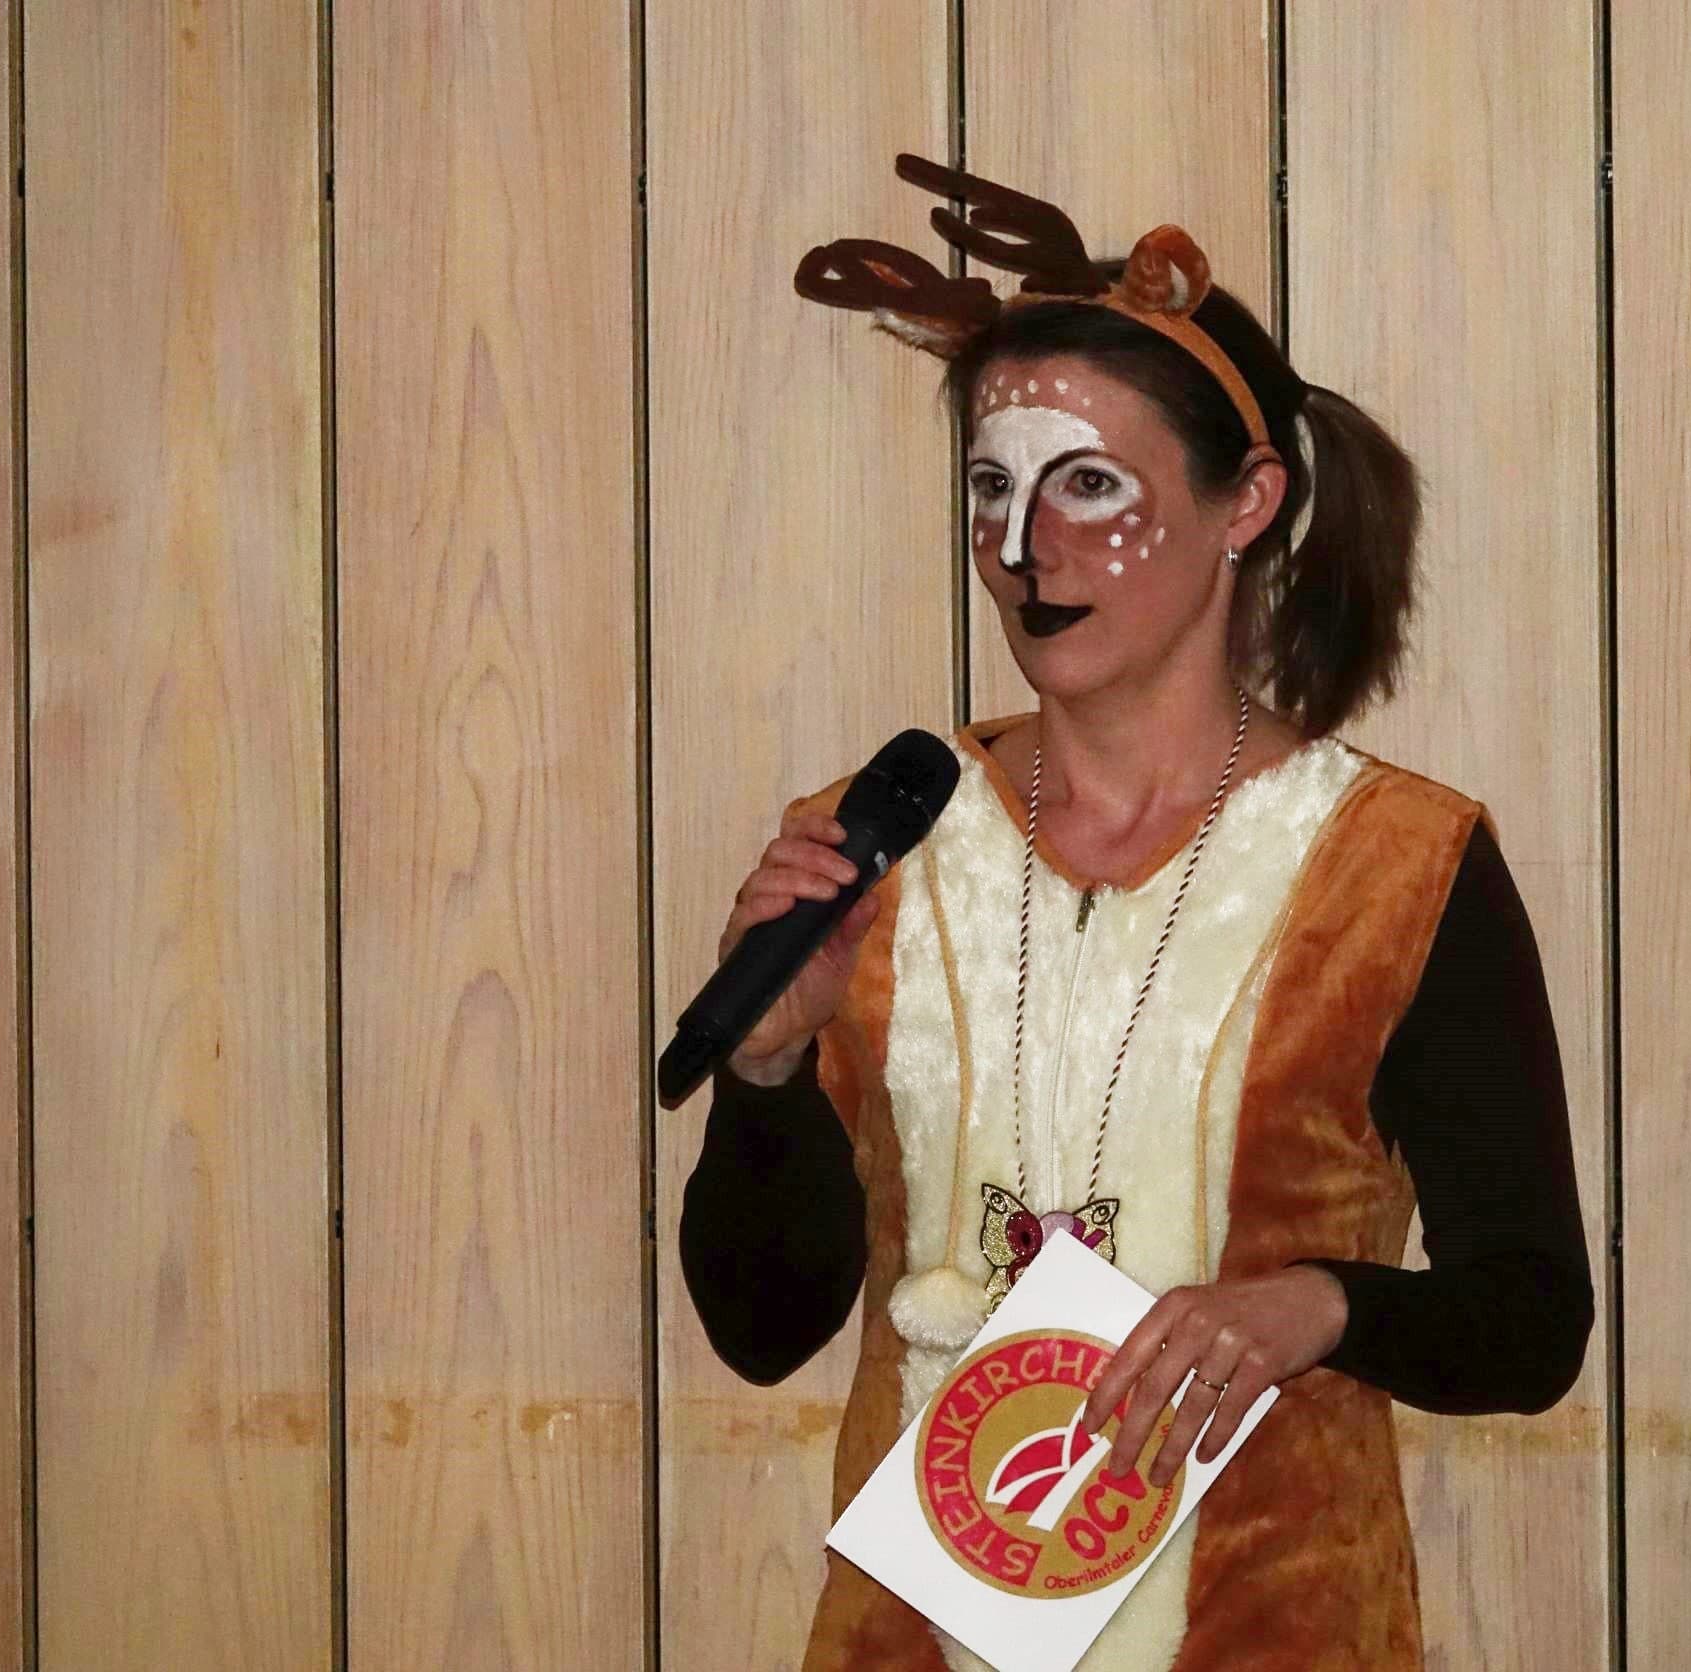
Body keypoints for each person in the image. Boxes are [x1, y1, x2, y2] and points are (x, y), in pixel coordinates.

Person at [678, 154, 1592, 1671]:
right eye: (993, 488)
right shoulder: (876, 847)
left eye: (1088, 486)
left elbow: (1531, 1322)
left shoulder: (1399, 866)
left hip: (1274, 1632)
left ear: (1249, 504)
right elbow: (761, 1328)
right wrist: (764, 1073)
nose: (1024, 548)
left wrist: (1316, 1307)